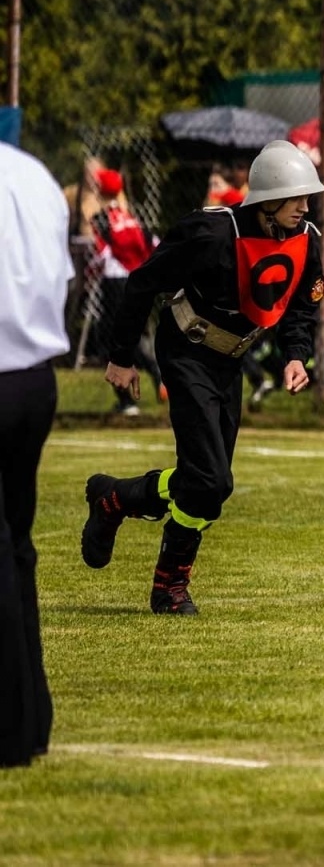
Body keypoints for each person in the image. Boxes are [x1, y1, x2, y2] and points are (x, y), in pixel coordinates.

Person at [81, 141, 324, 615]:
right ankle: (169, 589)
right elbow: (142, 283)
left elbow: (302, 305)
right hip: (187, 351)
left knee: (210, 483)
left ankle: (113, 498)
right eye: (297, 197)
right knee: (209, 480)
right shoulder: (210, 233)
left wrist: (296, 356)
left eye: (308, 197)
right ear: (268, 198)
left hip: (230, 359)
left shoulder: (306, 238)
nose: (306, 206)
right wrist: (123, 356)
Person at [0, 143, 71, 768]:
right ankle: (30, 719)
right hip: (34, 380)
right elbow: (63, 278)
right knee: (17, 545)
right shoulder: (34, 174)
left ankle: (10, 726)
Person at [88, 168, 162, 416]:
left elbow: (102, 255)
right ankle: (156, 372)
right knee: (128, 338)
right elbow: (154, 244)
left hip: (115, 283)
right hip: (137, 282)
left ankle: (127, 401)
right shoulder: (131, 219)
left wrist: (89, 274)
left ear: (99, 190)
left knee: (112, 342)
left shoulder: (101, 219)